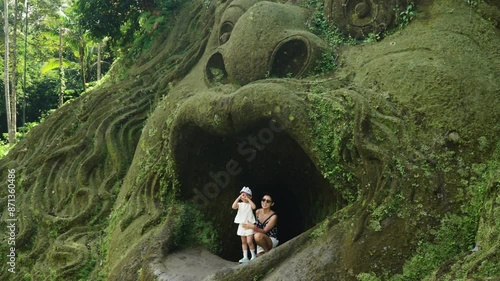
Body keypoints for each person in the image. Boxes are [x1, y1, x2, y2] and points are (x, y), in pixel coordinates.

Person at [232, 186, 257, 263]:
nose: (244, 196)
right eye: (243, 194)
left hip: (249, 225)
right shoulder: (239, 204)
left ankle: (253, 255)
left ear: (250, 196)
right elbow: (233, 206)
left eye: (246, 194)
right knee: (243, 242)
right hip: (242, 225)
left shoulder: (250, 204)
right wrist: (239, 197)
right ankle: (245, 257)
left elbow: (254, 207)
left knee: (249, 241)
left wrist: (248, 199)